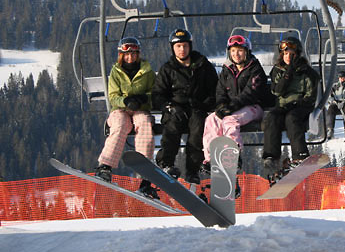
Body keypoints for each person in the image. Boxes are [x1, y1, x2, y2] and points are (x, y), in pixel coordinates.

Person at [152, 29, 218, 184]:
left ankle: (193, 170)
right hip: (176, 108)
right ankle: (166, 163)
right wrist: (168, 106)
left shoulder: (203, 66)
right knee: (172, 128)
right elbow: (158, 94)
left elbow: (215, 90)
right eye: (178, 46)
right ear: (173, 48)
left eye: (185, 46)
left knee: (197, 130)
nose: (182, 50)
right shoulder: (168, 69)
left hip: (197, 108)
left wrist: (203, 104)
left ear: (190, 46)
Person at [95, 37, 157, 198]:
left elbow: (155, 93)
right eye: (127, 54)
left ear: (138, 54)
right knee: (120, 126)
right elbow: (113, 96)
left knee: (144, 124)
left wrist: (144, 99)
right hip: (121, 109)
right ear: (121, 55)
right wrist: (125, 101)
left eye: (134, 54)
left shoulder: (147, 71)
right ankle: (105, 166)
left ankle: (145, 172)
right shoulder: (116, 72)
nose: (131, 57)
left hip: (140, 109)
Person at [202, 35, 269, 172]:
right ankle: (211, 158)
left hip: (253, 107)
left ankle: (232, 155)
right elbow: (220, 91)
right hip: (232, 108)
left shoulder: (255, 69)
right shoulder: (227, 70)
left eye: (239, 51)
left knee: (229, 121)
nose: (236, 54)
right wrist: (221, 105)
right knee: (211, 119)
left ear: (246, 52)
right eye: (233, 51)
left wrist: (231, 107)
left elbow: (251, 93)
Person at [262, 36, 319, 174]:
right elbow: (277, 90)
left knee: (292, 118)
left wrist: (298, 103)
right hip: (283, 105)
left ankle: (300, 156)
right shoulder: (278, 70)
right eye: (285, 54)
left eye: (291, 54)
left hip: (301, 105)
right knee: (272, 117)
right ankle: (271, 156)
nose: (288, 57)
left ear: (297, 54)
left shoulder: (307, 72)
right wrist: (288, 73)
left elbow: (310, 96)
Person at [326, 70, 345, 140]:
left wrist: (344, 102)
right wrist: (334, 101)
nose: (342, 79)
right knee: (330, 110)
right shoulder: (335, 86)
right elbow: (330, 96)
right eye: (341, 78)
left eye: (344, 77)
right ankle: (330, 129)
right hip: (336, 103)